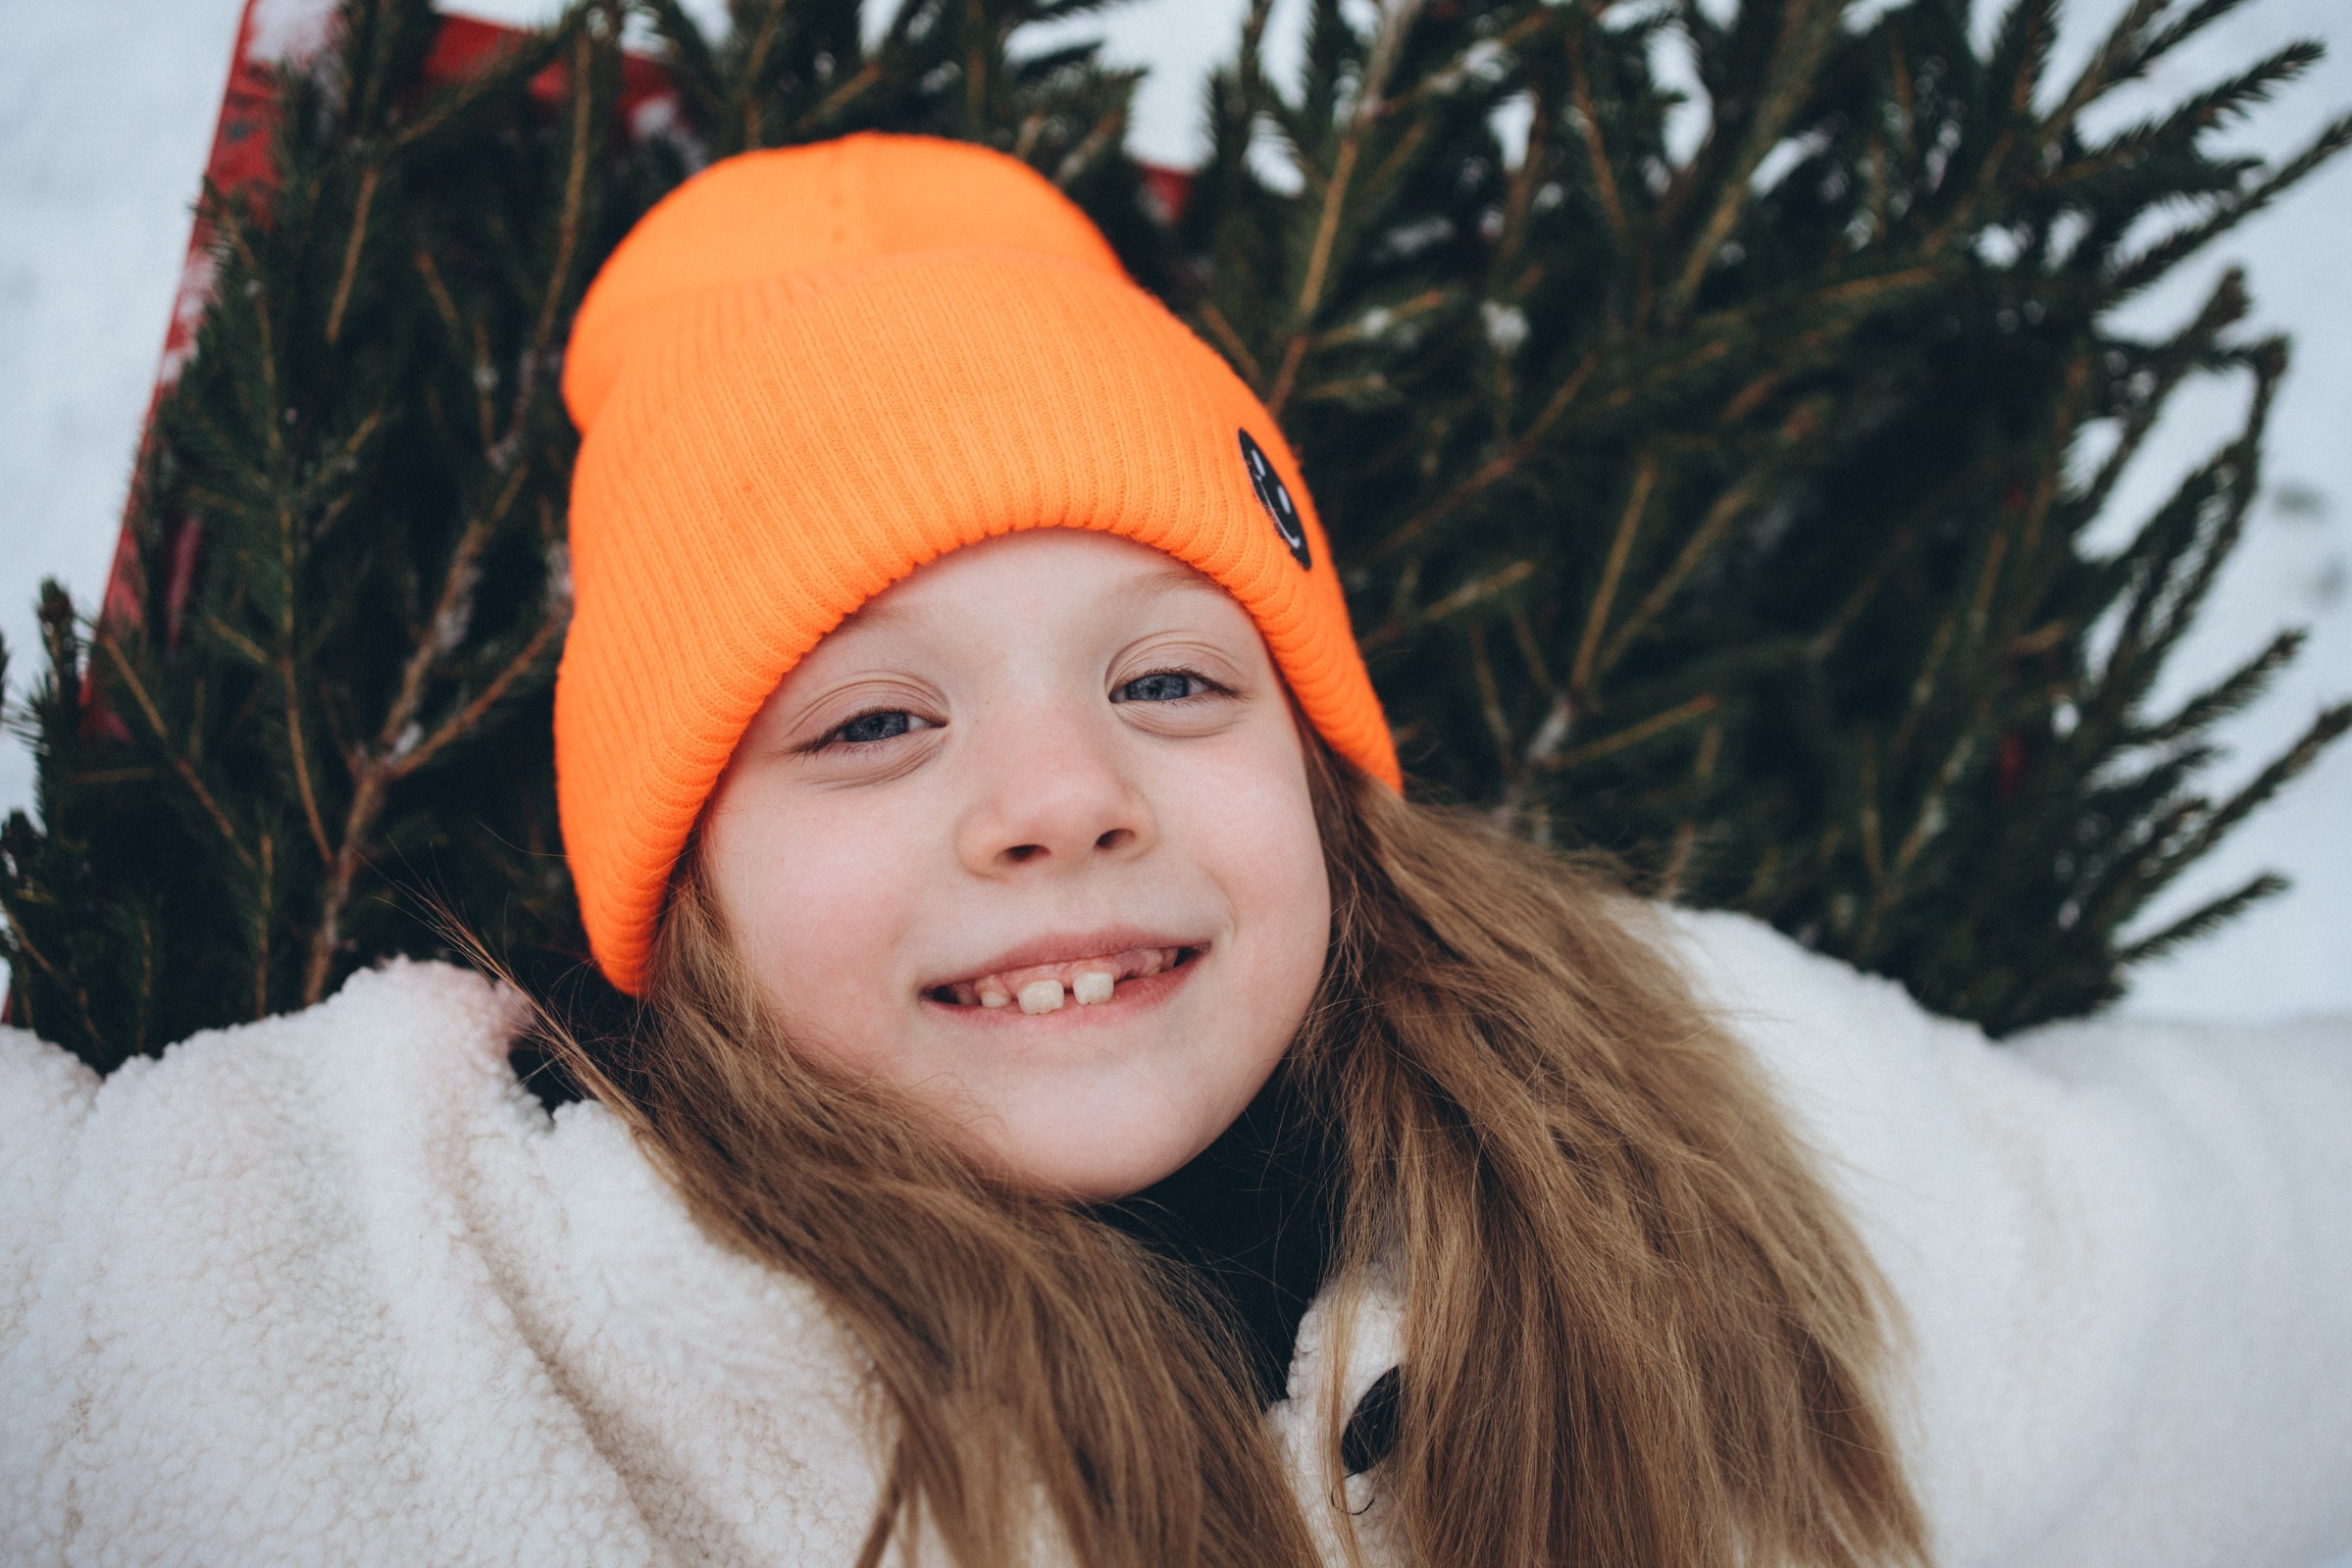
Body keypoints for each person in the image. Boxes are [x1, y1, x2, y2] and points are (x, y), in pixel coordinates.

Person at [2, 133, 2348, 1568]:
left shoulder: (1718, 1157)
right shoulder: (409, 1309)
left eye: (1166, 681)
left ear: (1318, 777)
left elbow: (2232, 1245)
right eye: (875, 718)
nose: (1056, 794)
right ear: (680, 892)